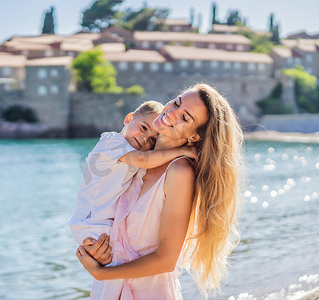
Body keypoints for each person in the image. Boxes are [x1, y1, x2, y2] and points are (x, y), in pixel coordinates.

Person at [76, 83, 244, 299]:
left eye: (185, 118)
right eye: (176, 102)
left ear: (194, 137)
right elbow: (104, 214)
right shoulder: (136, 158)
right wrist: (93, 248)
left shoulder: (179, 172)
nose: (172, 113)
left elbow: (166, 259)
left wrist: (102, 273)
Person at [69, 101, 197, 249]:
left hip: (107, 226)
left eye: (153, 140)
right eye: (144, 128)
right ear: (129, 119)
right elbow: (144, 160)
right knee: (107, 257)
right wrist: (182, 151)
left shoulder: (134, 159)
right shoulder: (111, 142)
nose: (144, 138)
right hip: (89, 223)